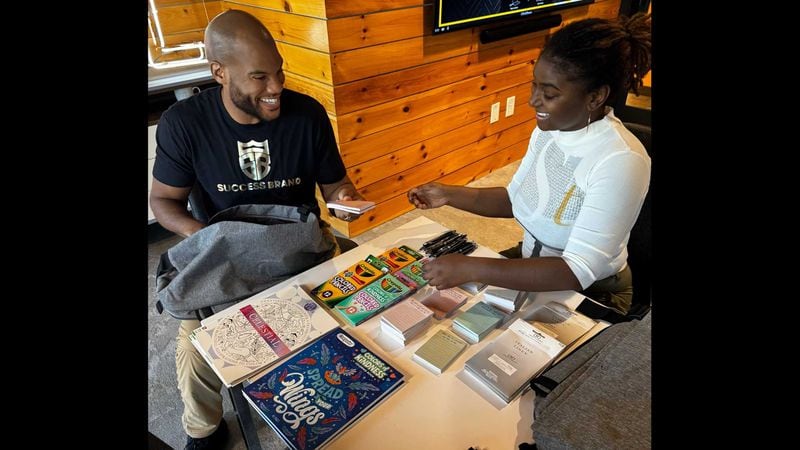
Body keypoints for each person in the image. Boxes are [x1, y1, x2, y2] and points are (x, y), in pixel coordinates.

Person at [149, 10, 365, 449]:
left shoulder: (307, 115)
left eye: (280, 72)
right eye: (260, 78)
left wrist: (344, 200)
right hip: (226, 257)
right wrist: (208, 240)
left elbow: (336, 185)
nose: (276, 88)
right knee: (195, 348)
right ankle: (204, 430)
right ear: (219, 73)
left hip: (301, 249)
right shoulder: (185, 123)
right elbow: (163, 202)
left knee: (365, 306)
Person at [408, 13, 652, 315]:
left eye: (549, 93)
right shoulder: (550, 131)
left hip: (591, 293)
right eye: (534, 86)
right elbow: (518, 199)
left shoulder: (621, 160)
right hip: (531, 264)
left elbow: (575, 269)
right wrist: (448, 194)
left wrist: (472, 268)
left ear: (596, 97)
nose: (533, 101)